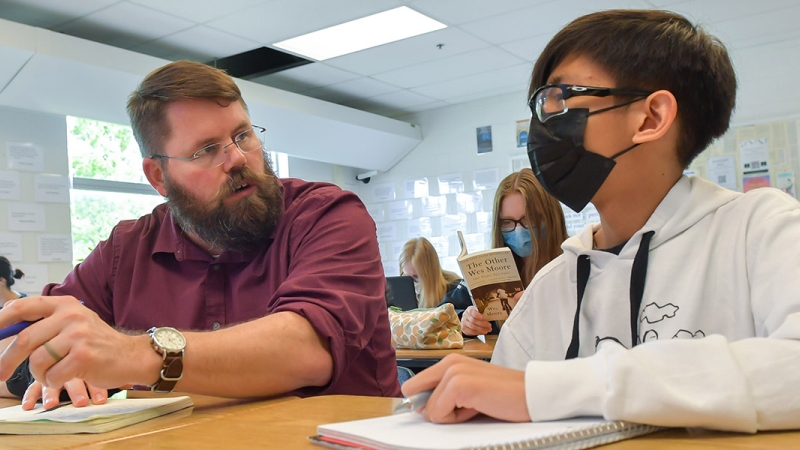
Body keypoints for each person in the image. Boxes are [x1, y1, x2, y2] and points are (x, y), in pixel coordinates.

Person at [402, 9, 800, 432]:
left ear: (650, 117)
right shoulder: (553, 286)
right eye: (541, 105)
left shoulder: (762, 229)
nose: (542, 127)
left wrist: (549, 390)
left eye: (561, 99)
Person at [0, 60, 400, 411]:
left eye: (243, 135)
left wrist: (130, 354)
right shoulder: (124, 252)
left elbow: (308, 349)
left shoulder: (328, 215)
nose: (238, 158)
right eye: (206, 150)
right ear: (158, 176)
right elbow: (19, 348)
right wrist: (50, 367)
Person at [461, 169, 567, 336]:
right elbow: (448, 311)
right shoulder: (488, 270)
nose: (518, 231)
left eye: (529, 219)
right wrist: (467, 321)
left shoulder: (574, 266)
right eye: (507, 222)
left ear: (551, 217)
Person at [398, 237, 471, 312]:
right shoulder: (399, 292)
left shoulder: (455, 291)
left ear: (430, 273)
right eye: (406, 276)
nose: (412, 283)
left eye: (416, 276)